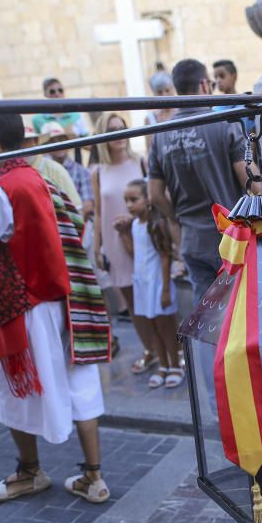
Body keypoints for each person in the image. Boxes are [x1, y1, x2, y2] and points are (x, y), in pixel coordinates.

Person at [0, 112, 111, 503]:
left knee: (15, 388)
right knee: (79, 383)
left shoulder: (2, 190)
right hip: (64, 301)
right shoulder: (37, 178)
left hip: (25, 307)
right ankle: (93, 478)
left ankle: (30, 473)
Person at [147, 58, 247, 301]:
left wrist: (178, 217)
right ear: (204, 84)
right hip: (231, 238)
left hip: (192, 239)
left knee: (207, 322)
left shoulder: (161, 135)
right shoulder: (224, 124)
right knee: (241, 319)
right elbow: (250, 181)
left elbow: (155, 196)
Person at [90, 112, 149, 373]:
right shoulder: (98, 171)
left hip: (143, 236)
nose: (119, 135)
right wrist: (97, 246)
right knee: (131, 301)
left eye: (122, 128)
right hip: (113, 240)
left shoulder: (141, 162)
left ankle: (171, 350)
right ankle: (149, 350)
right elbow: (99, 211)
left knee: (154, 293)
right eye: (113, 130)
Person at [117, 179, 183, 389]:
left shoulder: (157, 224)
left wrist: (165, 289)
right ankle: (162, 365)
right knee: (153, 327)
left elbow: (165, 256)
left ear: (148, 200)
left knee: (165, 327)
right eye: (126, 200)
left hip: (157, 282)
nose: (129, 205)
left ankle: (175, 365)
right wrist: (123, 233)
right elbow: (134, 254)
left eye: (134, 199)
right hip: (142, 284)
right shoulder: (135, 225)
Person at [40, 121, 94, 219]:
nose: (58, 144)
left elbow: (88, 206)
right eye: (52, 141)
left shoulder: (82, 172)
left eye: (61, 139)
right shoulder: (40, 171)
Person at [21, 129, 83, 209]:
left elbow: (76, 207)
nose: (21, 145)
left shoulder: (55, 169)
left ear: (35, 141)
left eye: (26, 140)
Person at [212, 59, 254, 135]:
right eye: (215, 77)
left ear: (234, 76)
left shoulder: (246, 105)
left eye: (222, 76)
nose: (218, 80)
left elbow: (252, 136)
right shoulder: (214, 110)